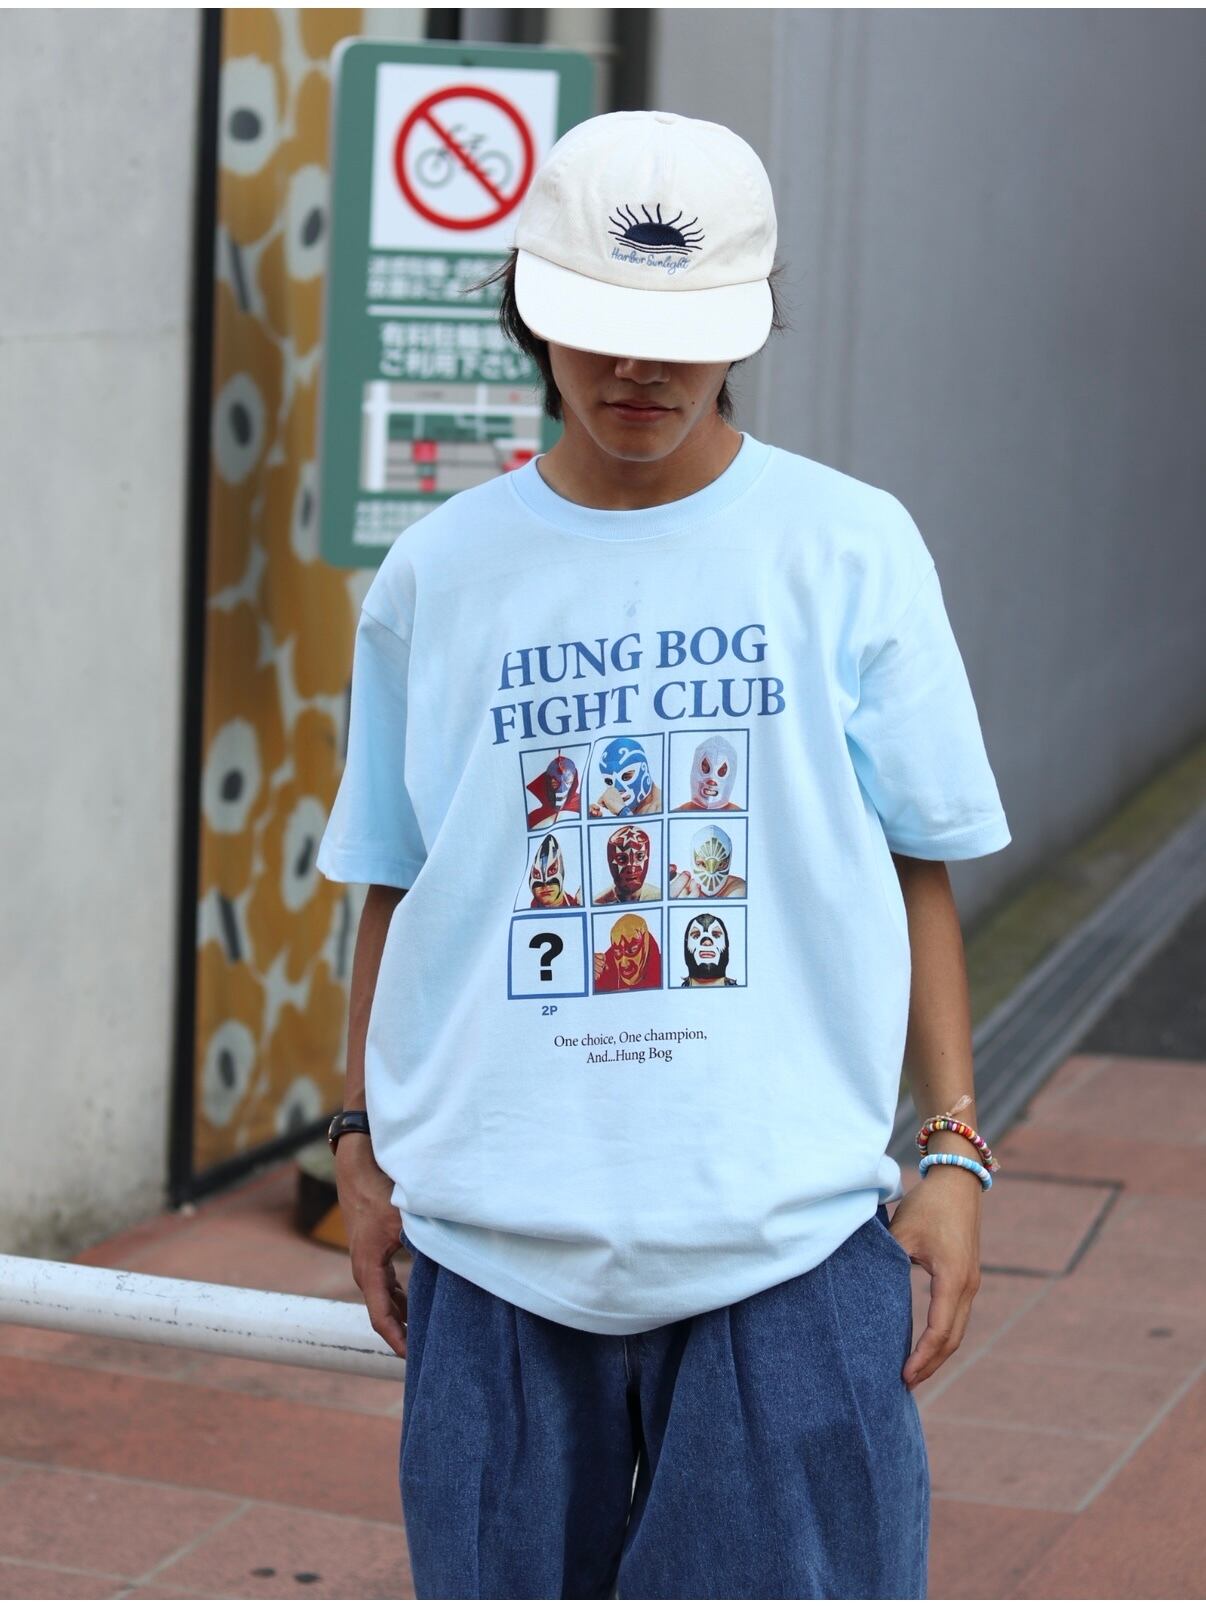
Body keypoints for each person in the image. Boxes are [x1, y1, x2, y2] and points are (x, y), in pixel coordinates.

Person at [316, 109, 1011, 1600]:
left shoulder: (847, 545)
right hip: (490, 1240)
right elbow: (397, 876)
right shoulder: (438, 572)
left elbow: (917, 866)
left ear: (746, 324)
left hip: (787, 1231)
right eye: (601, 328)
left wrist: (952, 1151)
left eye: (679, 334)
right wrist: (356, 1142)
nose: (637, 370)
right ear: (532, 311)